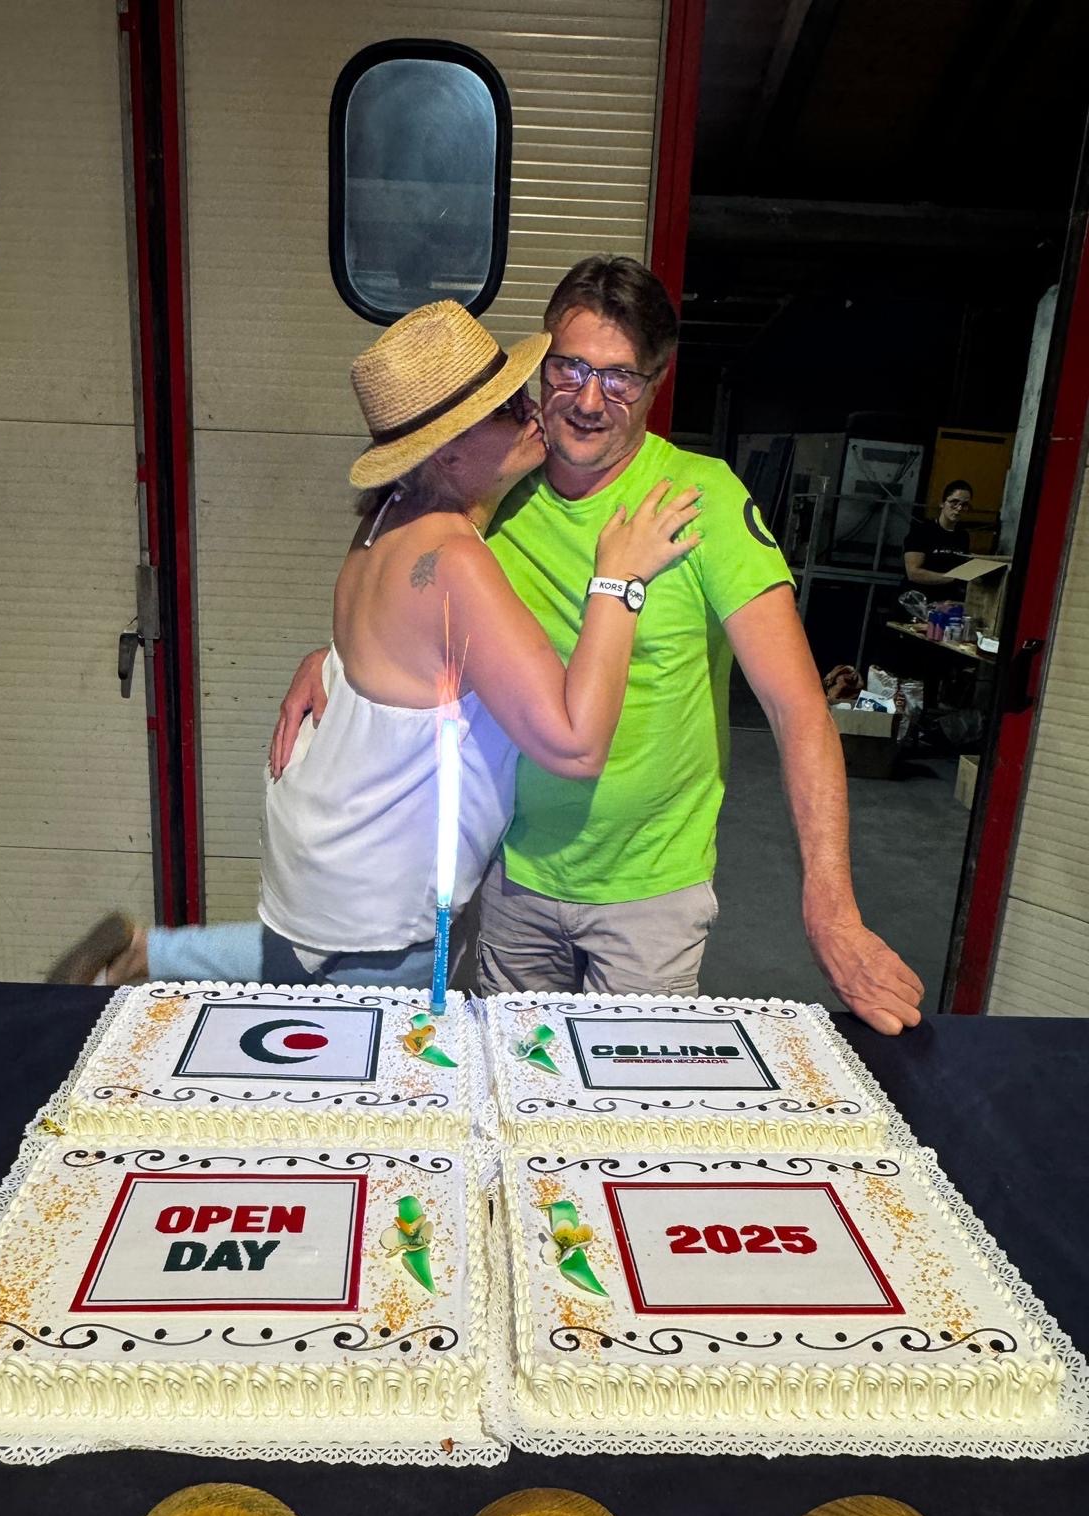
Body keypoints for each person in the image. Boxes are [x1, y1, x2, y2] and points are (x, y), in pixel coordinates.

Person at [273, 257, 923, 1035]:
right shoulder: (500, 486)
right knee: (522, 1083)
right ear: (542, 364)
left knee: (624, 1095)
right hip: (512, 880)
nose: (587, 400)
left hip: (650, 897)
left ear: (656, 381)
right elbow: (414, 589)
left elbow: (798, 709)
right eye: (570, 368)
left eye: (618, 378)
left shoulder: (701, 499)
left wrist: (832, 907)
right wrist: (334, 660)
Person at [48, 300, 700, 987]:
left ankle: (149, 954)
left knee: (306, 963)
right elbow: (575, 744)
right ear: (448, 451)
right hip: (381, 886)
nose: (533, 412)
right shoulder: (453, 559)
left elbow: (394, 645)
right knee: (372, 1032)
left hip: (328, 839)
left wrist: (319, 658)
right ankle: (151, 962)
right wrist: (619, 580)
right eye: (507, 409)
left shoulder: (386, 515)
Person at [902, 480, 973, 596]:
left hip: (947, 600)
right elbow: (913, 573)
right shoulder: (922, 531)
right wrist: (953, 579)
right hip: (919, 599)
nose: (959, 508)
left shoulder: (963, 536)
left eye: (964, 505)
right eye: (954, 502)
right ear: (942, 503)